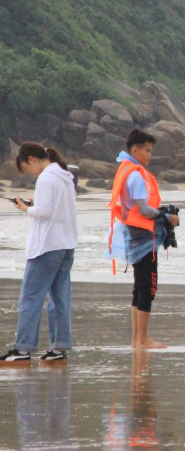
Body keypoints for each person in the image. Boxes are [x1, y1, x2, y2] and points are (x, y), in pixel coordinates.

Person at [0, 144, 77, 366]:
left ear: (31, 159)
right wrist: (33, 205)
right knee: (60, 298)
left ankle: (23, 349)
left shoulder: (46, 178)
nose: (29, 172)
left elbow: (43, 212)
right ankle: (59, 348)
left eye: (26, 167)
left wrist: (25, 208)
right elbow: (56, 208)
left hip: (46, 245)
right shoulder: (65, 176)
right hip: (66, 244)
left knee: (30, 297)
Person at [105, 129, 179, 350]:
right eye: (147, 150)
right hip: (145, 236)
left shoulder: (126, 170)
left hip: (133, 234)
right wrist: (166, 217)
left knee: (139, 287)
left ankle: (137, 338)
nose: (150, 155)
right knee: (147, 288)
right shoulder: (136, 175)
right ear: (135, 150)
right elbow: (143, 209)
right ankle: (143, 339)